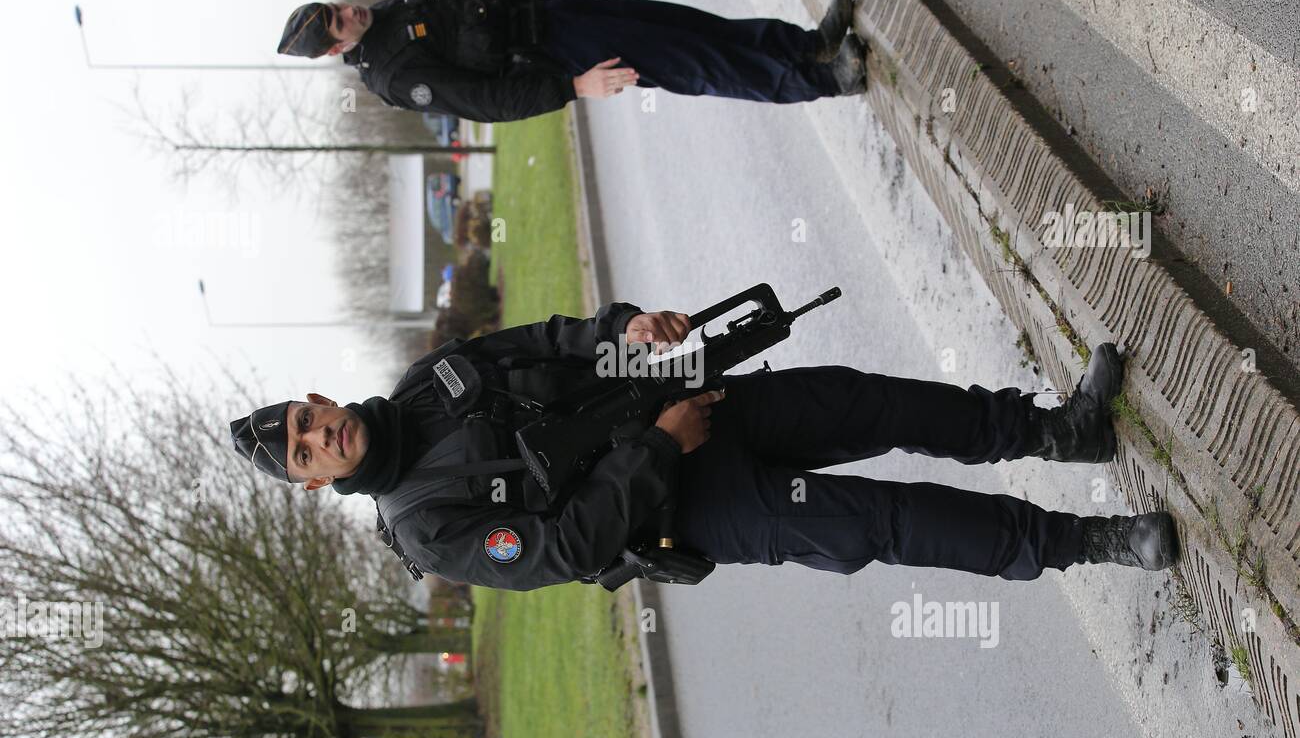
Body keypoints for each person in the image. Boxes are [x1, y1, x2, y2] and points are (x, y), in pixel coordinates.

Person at [229, 298, 1180, 592]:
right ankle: (1088, 543)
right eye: (310, 453)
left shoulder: (419, 385)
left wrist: (625, 329)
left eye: (309, 421)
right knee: (883, 520)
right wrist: (658, 454)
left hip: (685, 403)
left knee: (876, 402)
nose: (324, 436)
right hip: (689, 498)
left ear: (316, 399)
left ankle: (1063, 430)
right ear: (318, 483)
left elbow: (543, 347)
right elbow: (563, 552)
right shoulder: (425, 526)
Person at [274, 0, 865, 122]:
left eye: (334, 9)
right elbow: (486, 102)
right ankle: (829, 80)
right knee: (698, 64)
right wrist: (573, 87)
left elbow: (474, 5)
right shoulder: (393, 74)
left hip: (559, 14)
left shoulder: (383, 14)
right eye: (336, 26)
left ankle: (813, 43)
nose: (346, 14)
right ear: (333, 51)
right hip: (563, 57)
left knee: (700, 27)